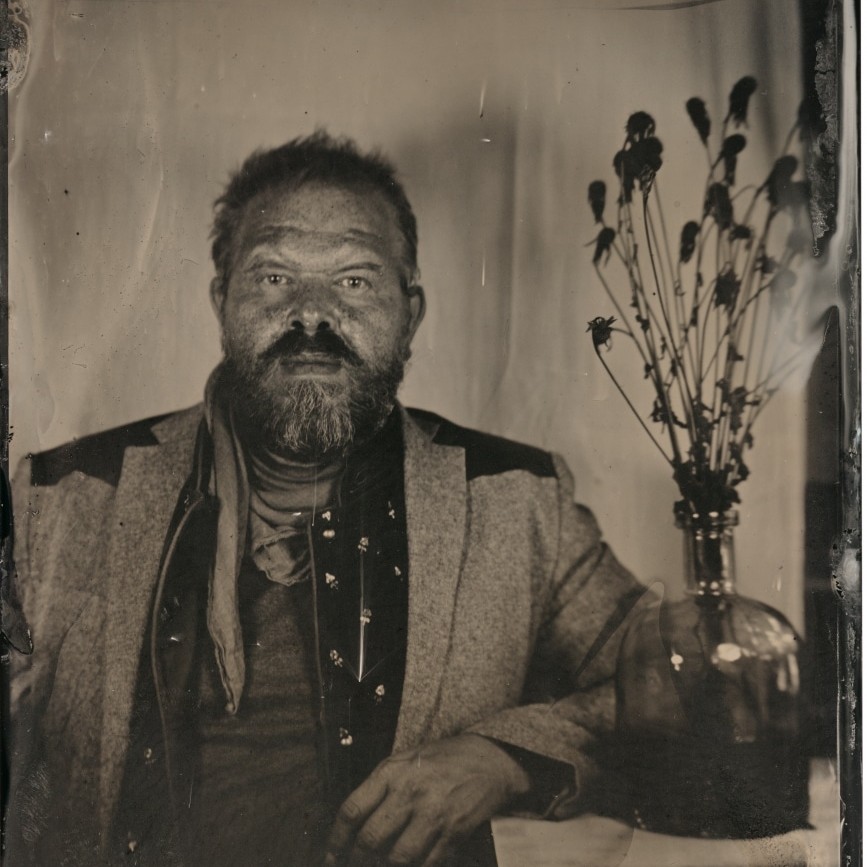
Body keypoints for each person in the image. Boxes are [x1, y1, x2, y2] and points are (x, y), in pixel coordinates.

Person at [4, 132, 642, 867]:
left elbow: (661, 688)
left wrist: (504, 757)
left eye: (355, 281)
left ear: (411, 313)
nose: (311, 316)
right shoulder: (65, 496)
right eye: (274, 277)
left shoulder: (516, 500)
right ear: (220, 301)